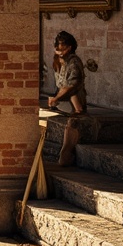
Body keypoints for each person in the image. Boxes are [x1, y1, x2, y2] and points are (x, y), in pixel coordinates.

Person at [49, 30, 87, 166]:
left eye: (63, 48)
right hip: (63, 100)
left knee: (72, 122)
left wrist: (56, 98)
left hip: (74, 100)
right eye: (58, 48)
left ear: (69, 48)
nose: (60, 51)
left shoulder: (74, 61)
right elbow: (60, 84)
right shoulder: (58, 60)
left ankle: (65, 154)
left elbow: (72, 84)